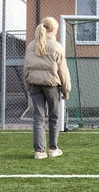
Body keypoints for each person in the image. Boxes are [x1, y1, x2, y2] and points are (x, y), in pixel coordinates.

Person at [24, 17, 71, 159]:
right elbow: (63, 71)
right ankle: (53, 149)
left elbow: (26, 68)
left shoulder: (31, 45)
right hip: (51, 86)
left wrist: (28, 86)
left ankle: (39, 151)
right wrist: (66, 90)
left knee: (38, 118)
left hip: (35, 85)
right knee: (54, 117)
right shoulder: (56, 46)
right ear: (52, 29)